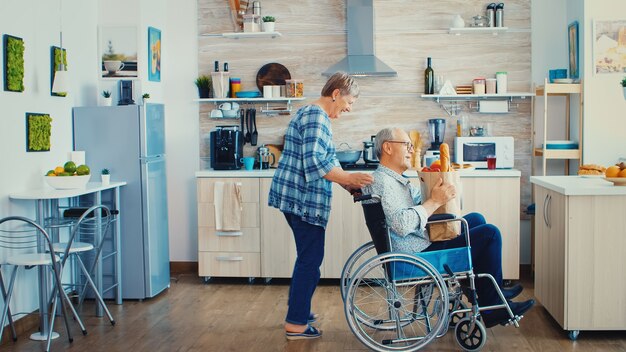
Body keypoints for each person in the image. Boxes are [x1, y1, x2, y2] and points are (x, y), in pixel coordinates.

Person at [362, 127, 534, 328]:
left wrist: (440, 189)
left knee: (476, 220)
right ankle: (493, 305)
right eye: (407, 145)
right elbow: (401, 224)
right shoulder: (383, 182)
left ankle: (488, 293)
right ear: (388, 148)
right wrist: (434, 201)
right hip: (415, 257)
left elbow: (422, 206)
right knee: (490, 234)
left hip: (420, 246)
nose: (411, 149)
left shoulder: (396, 181)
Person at [268, 72, 374, 340]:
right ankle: (296, 324)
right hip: (303, 200)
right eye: (349, 102)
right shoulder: (317, 116)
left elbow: (326, 160)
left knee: (306, 257)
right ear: (336, 93)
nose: (349, 108)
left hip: (295, 197)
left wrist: (346, 183)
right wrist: (348, 177)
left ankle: (298, 309)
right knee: (310, 261)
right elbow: (314, 163)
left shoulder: (311, 114)